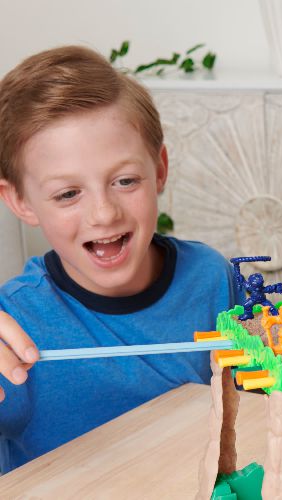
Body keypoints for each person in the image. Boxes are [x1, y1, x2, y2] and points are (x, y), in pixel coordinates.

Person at [0, 46, 242, 473]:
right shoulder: (13, 324)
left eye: (125, 181)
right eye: (68, 193)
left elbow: (256, 411)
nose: (104, 213)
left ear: (159, 169)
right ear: (20, 200)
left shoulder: (212, 279)